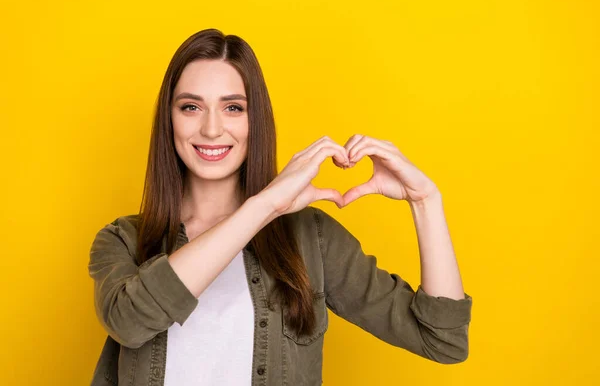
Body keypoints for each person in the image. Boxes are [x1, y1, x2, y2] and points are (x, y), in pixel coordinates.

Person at [88, 28, 473, 386]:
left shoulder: (312, 239)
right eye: (191, 107)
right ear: (169, 119)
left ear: (257, 120)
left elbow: (442, 340)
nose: (210, 129)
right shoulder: (123, 240)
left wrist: (426, 202)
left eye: (233, 108)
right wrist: (266, 204)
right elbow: (131, 321)